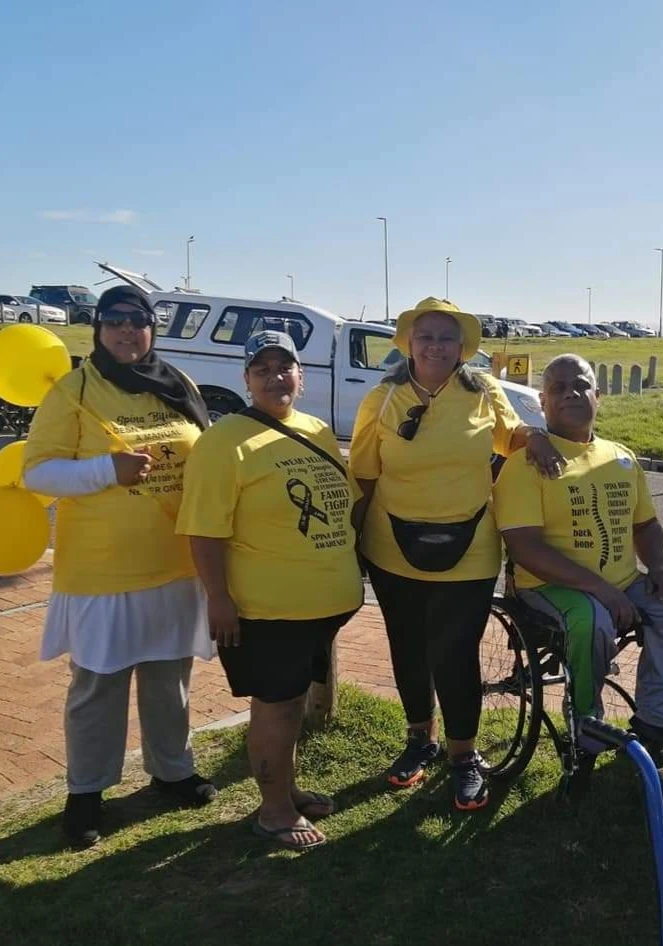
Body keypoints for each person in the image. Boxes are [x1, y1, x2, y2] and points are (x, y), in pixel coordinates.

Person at [23, 285, 217, 850]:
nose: (127, 332)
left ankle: (172, 771)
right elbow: (37, 473)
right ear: (98, 329)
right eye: (114, 322)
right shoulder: (74, 390)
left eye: (138, 322)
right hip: (102, 573)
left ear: (153, 328)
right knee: (98, 685)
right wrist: (105, 470)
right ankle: (86, 791)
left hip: (175, 563)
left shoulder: (176, 383)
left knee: (168, 677)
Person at [349, 297, 562, 811]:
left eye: (447, 337)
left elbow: (510, 436)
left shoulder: (484, 391)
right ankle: (419, 739)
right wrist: (352, 544)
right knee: (408, 646)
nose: (436, 345)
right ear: (409, 344)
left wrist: (534, 438)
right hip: (391, 543)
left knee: (455, 652)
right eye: (426, 336)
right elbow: (362, 472)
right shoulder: (382, 398)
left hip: (470, 546)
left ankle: (462, 754)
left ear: (462, 347)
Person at [177, 331, 363, 852]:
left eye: (286, 367)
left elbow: (343, 502)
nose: (275, 376)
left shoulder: (317, 431)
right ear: (246, 379)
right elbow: (204, 529)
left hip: (321, 605)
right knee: (276, 707)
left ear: (301, 377)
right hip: (268, 608)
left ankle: (287, 789)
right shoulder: (225, 441)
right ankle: (274, 812)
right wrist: (219, 598)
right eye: (263, 369)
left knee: (293, 702)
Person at [492, 354, 663, 780]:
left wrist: (659, 566)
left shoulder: (621, 457)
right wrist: (601, 590)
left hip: (621, 582)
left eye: (581, 385)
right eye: (558, 387)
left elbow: (645, 525)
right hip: (547, 587)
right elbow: (526, 549)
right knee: (592, 620)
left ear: (598, 396)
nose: (571, 393)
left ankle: (658, 716)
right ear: (542, 400)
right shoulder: (524, 465)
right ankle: (587, 725)